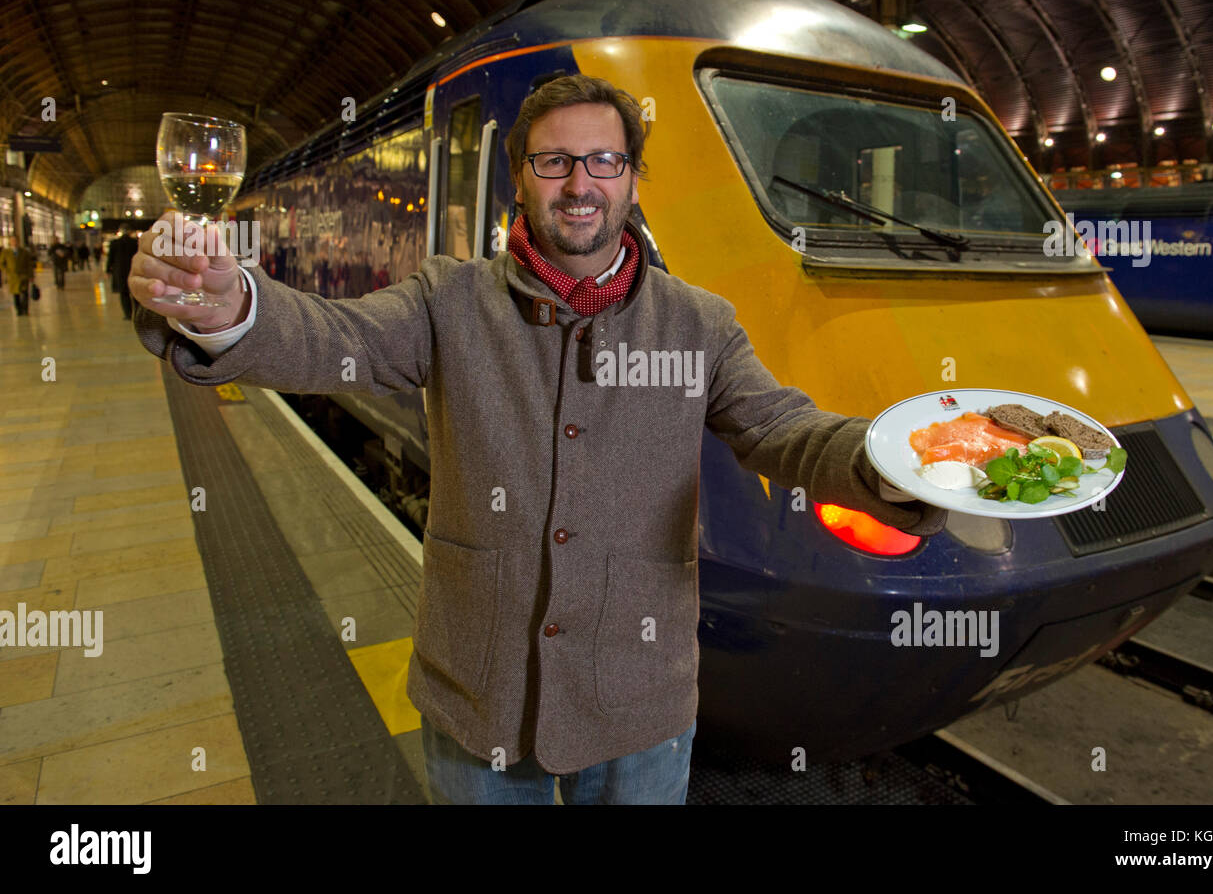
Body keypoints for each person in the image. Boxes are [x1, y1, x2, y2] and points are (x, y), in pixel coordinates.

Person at [129, 74, 946, 805]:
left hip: (638, 705)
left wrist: (905, 464)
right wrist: (232, 306)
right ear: (517, 176)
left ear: (632, 181)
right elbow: (331, 337)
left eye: (604, 162)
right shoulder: (448, 303)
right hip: (479, 693)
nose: (580, 184)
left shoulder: (697, 324)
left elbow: (784, 431)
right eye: (554, 162)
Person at [1, 236, 35, 315]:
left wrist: (31, 276)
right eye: (12, 241)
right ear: (10, 242)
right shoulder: (6, 252)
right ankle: (18, 309)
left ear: (18, 241)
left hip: (24, 275)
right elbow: (1, 263)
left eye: (15, 240)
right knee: (16, 294)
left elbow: (29, 264)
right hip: (13, 276)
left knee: (25, 293)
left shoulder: (24, 252)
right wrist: (6, 271)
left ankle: (25, 309)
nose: (14, 242)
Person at [108, 229, 136, 319]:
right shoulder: (134, 242)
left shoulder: (115, 243)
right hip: (133, 269)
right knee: (136, 292)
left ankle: (128, 314)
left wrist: (108, 269)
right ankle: (137, 313)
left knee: (124, 294)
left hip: (120, 271)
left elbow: (110, 257)